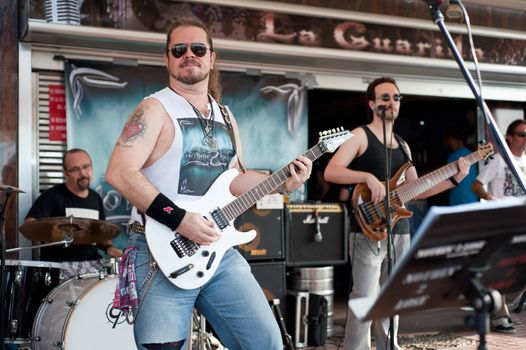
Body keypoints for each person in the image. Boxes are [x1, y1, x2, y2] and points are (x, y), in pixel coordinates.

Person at [105, 17, 312, 350]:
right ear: (167, 59)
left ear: (212, 58)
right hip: (160, 251)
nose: (190, 55)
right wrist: (180, 219)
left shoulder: (226, 116)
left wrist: (284, 182)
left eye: (198, 49)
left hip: (218, 252)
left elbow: (236, 180)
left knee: (265, 343)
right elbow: (120, 172)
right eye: (179, 49)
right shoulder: (155, 109)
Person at [324, 77, 469, 350]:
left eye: (396, 98)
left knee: (392, 298)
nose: (391, 102)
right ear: (372, 103)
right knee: (365, 297)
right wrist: (367, 177)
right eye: (385, 97)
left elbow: (416, 189)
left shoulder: (403, 145)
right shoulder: (360, 135)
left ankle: (390, 346)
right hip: (367, 230)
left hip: (398, 231)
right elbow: (332, 171)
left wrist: (454, 180)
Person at [25, 148, 123, 279]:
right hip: (61, 265)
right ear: (65, 173)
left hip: (93, 263)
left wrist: (109, 248)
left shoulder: (95, 198)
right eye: (75, 169)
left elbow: (101, 234)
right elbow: (30, 224)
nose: (82, 173)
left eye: (86, 167)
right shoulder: (52, 196)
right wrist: (51, 234)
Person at [471, 118, 526, 334]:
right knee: (501, 269)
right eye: (522, 134)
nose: (525, 138)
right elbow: (477, 185)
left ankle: (497, 300)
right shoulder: (499, 160)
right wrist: (489, 197)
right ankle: (499, 317)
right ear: (510, 138)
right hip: (503, 222)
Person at [444, 127, 478, 205]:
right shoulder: (472, 154)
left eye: (450, 141)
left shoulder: (452, 156)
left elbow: (446, 180)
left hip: (457, 200)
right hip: (472, 199)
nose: (449, 144)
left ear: (457, 140)